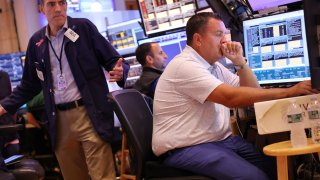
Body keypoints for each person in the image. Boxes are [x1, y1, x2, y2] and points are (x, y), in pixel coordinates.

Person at [152, 12, 319, 180]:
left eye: (225, 34)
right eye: (218, 34)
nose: (225, 40)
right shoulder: (185, 65)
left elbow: (254, 93)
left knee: (278, 167)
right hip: (187, 148)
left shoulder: (214, 66)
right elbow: (230, 99)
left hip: (220, 142)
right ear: (198, 39)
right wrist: (289, 91)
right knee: (255, 178)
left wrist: (240, 62)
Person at [0, 0, 129, 180]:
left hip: (89, 114)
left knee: (102, 177)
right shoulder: (36, 41)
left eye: (62, 2)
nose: (58, 8)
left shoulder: (83, 28)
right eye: (51, 4)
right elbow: (29, 85)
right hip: (59, 121)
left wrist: (120, 71)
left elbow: (114, 60)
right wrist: (4, 106)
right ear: (41, 9)